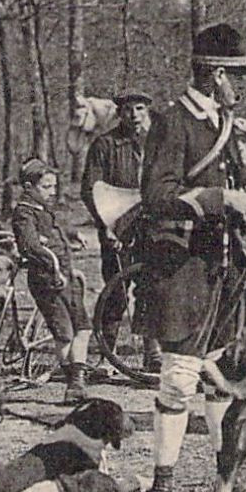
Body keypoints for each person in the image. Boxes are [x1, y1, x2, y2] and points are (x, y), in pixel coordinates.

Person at [135, 23, 246, 492]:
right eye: (237, 78)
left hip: (225, 265)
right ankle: (161, 486)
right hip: (182, 263)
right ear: (215, 76)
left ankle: (223, 480)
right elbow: (155, 198)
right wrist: (219, 199)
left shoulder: (228, 126)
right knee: (179, 378)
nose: (243, 87)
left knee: (221, 377)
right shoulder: (174, 122)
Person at [81, 90, 157, 372]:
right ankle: (107, 356)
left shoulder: (159, 143)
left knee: (151, 289)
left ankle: (153, 354)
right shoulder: (105, 145)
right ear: (119, 113)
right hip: (118, 229)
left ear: (147, 111)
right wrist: (107, 226)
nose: (134, 115)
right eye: (128, 110)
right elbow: (91, 190)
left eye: (139, 109)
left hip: (151, 228)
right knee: (115, 293)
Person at [12, 159, 94, 403]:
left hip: (65, 275)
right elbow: (30, 246)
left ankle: (78, 379)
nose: (52, 191)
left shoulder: (44, 208)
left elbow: (55, 228)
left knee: (84, 328)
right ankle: (73, 384)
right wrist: (52, 263)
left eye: (53, 186)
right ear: (29, 187)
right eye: (46, 187)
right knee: (65, 334)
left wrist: (74, 234)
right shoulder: (24, 213)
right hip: (47, 279)